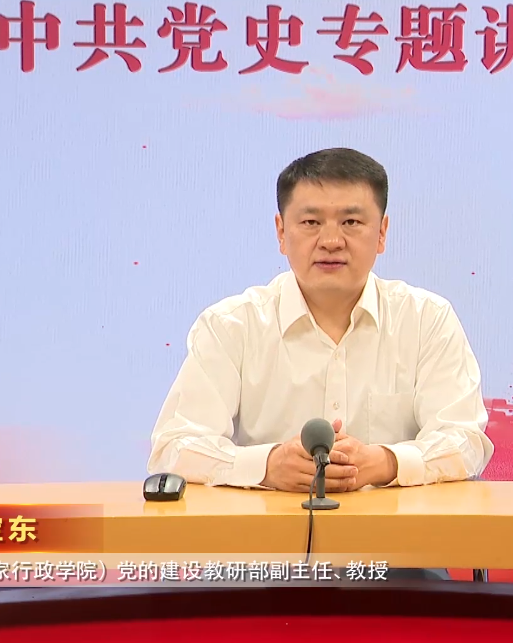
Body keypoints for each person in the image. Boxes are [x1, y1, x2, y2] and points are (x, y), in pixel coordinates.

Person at [148, 147, 494, 496]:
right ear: (281, 232)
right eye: (311, 223)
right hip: (268, 529)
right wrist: (266, 466)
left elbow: (465, 441)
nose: (331, 241)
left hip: (395, 528)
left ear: (382, 232)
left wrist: (385, 462)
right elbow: (174, 447)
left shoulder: (426, 320)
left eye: (351, 222)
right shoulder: (231, 326)